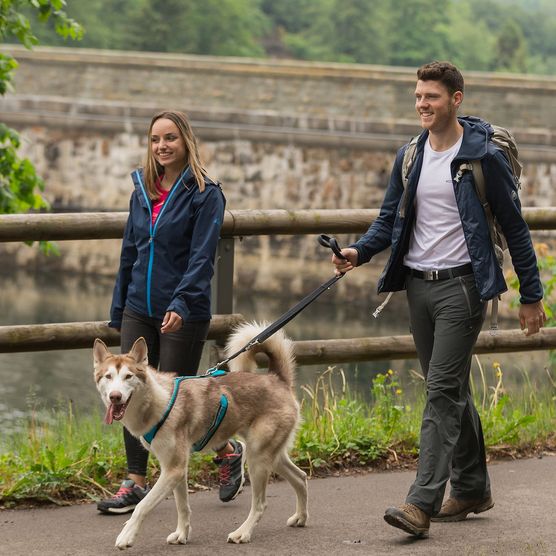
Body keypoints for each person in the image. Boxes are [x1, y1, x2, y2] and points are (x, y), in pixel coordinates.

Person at [331, 62, 546, 537]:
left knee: (441, 391)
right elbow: (390, 219)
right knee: (447, 387)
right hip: (418, 286)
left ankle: (420, 502)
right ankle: (472, 487)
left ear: (456, 99)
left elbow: (515, 227)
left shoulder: (482, 156)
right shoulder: (410, 154)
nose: (422, 104)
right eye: (418, 96)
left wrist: (531, 294)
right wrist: (358, 251)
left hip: (463, 286)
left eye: (431, 96)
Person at [97, 110, 245, 515]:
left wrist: (181, 302)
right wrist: (119, 306)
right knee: (128, 390)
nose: (162, 146)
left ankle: (228, 451)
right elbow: (130, 250)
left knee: (179, 401)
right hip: (138, 308)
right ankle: (135, 482)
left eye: (170, 139)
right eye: (154, 139)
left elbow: (201, 259)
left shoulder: (205, 192)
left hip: (185, 309)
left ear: (186, 142)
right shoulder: (142, 189)